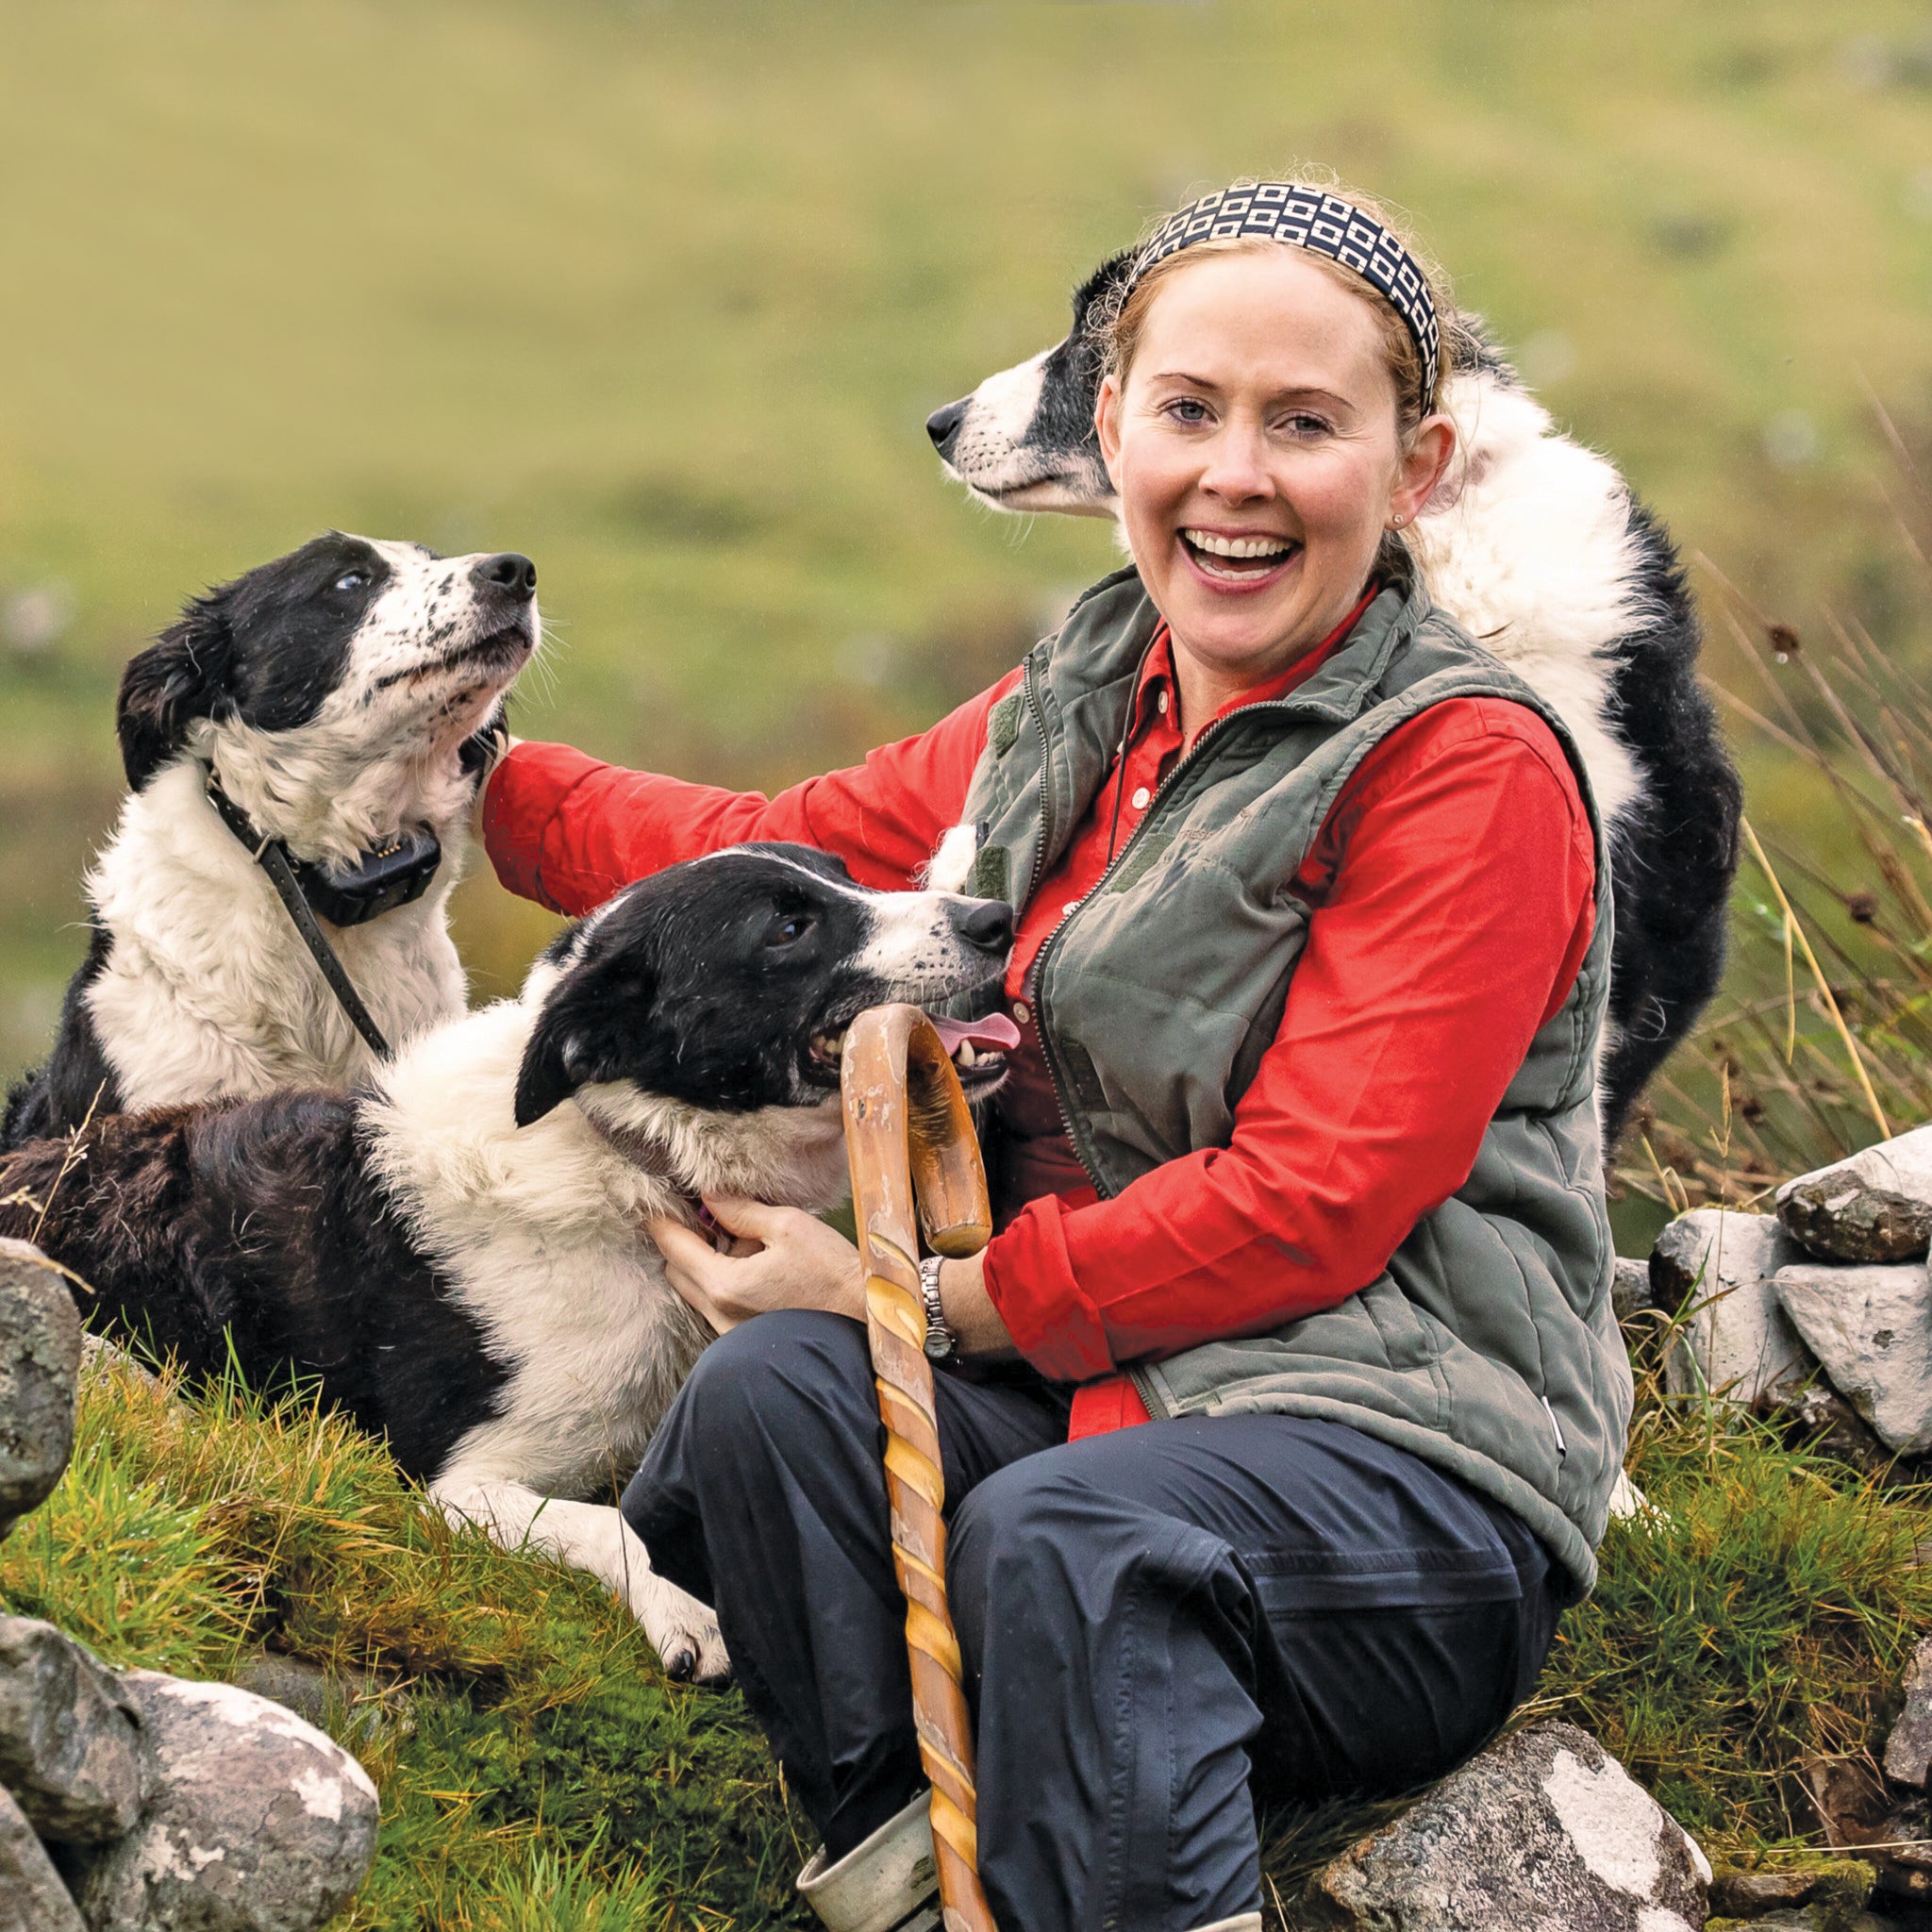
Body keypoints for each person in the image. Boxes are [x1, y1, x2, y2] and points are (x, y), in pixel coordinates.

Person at [479, 177, 1632, 1932]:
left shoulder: (1464, 769)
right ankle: (928, 1876)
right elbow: (789, 840)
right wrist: (470, 772)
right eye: (1187, 412)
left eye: (1303, 424)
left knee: (1066, 1538)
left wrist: (916, 1304)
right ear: (1114, 430)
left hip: (1394, 1466)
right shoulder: (1088, 686)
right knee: (768, 1404)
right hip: (1110, 1410)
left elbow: (1311, 1204)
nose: (1235, 475)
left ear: (1412, 468)